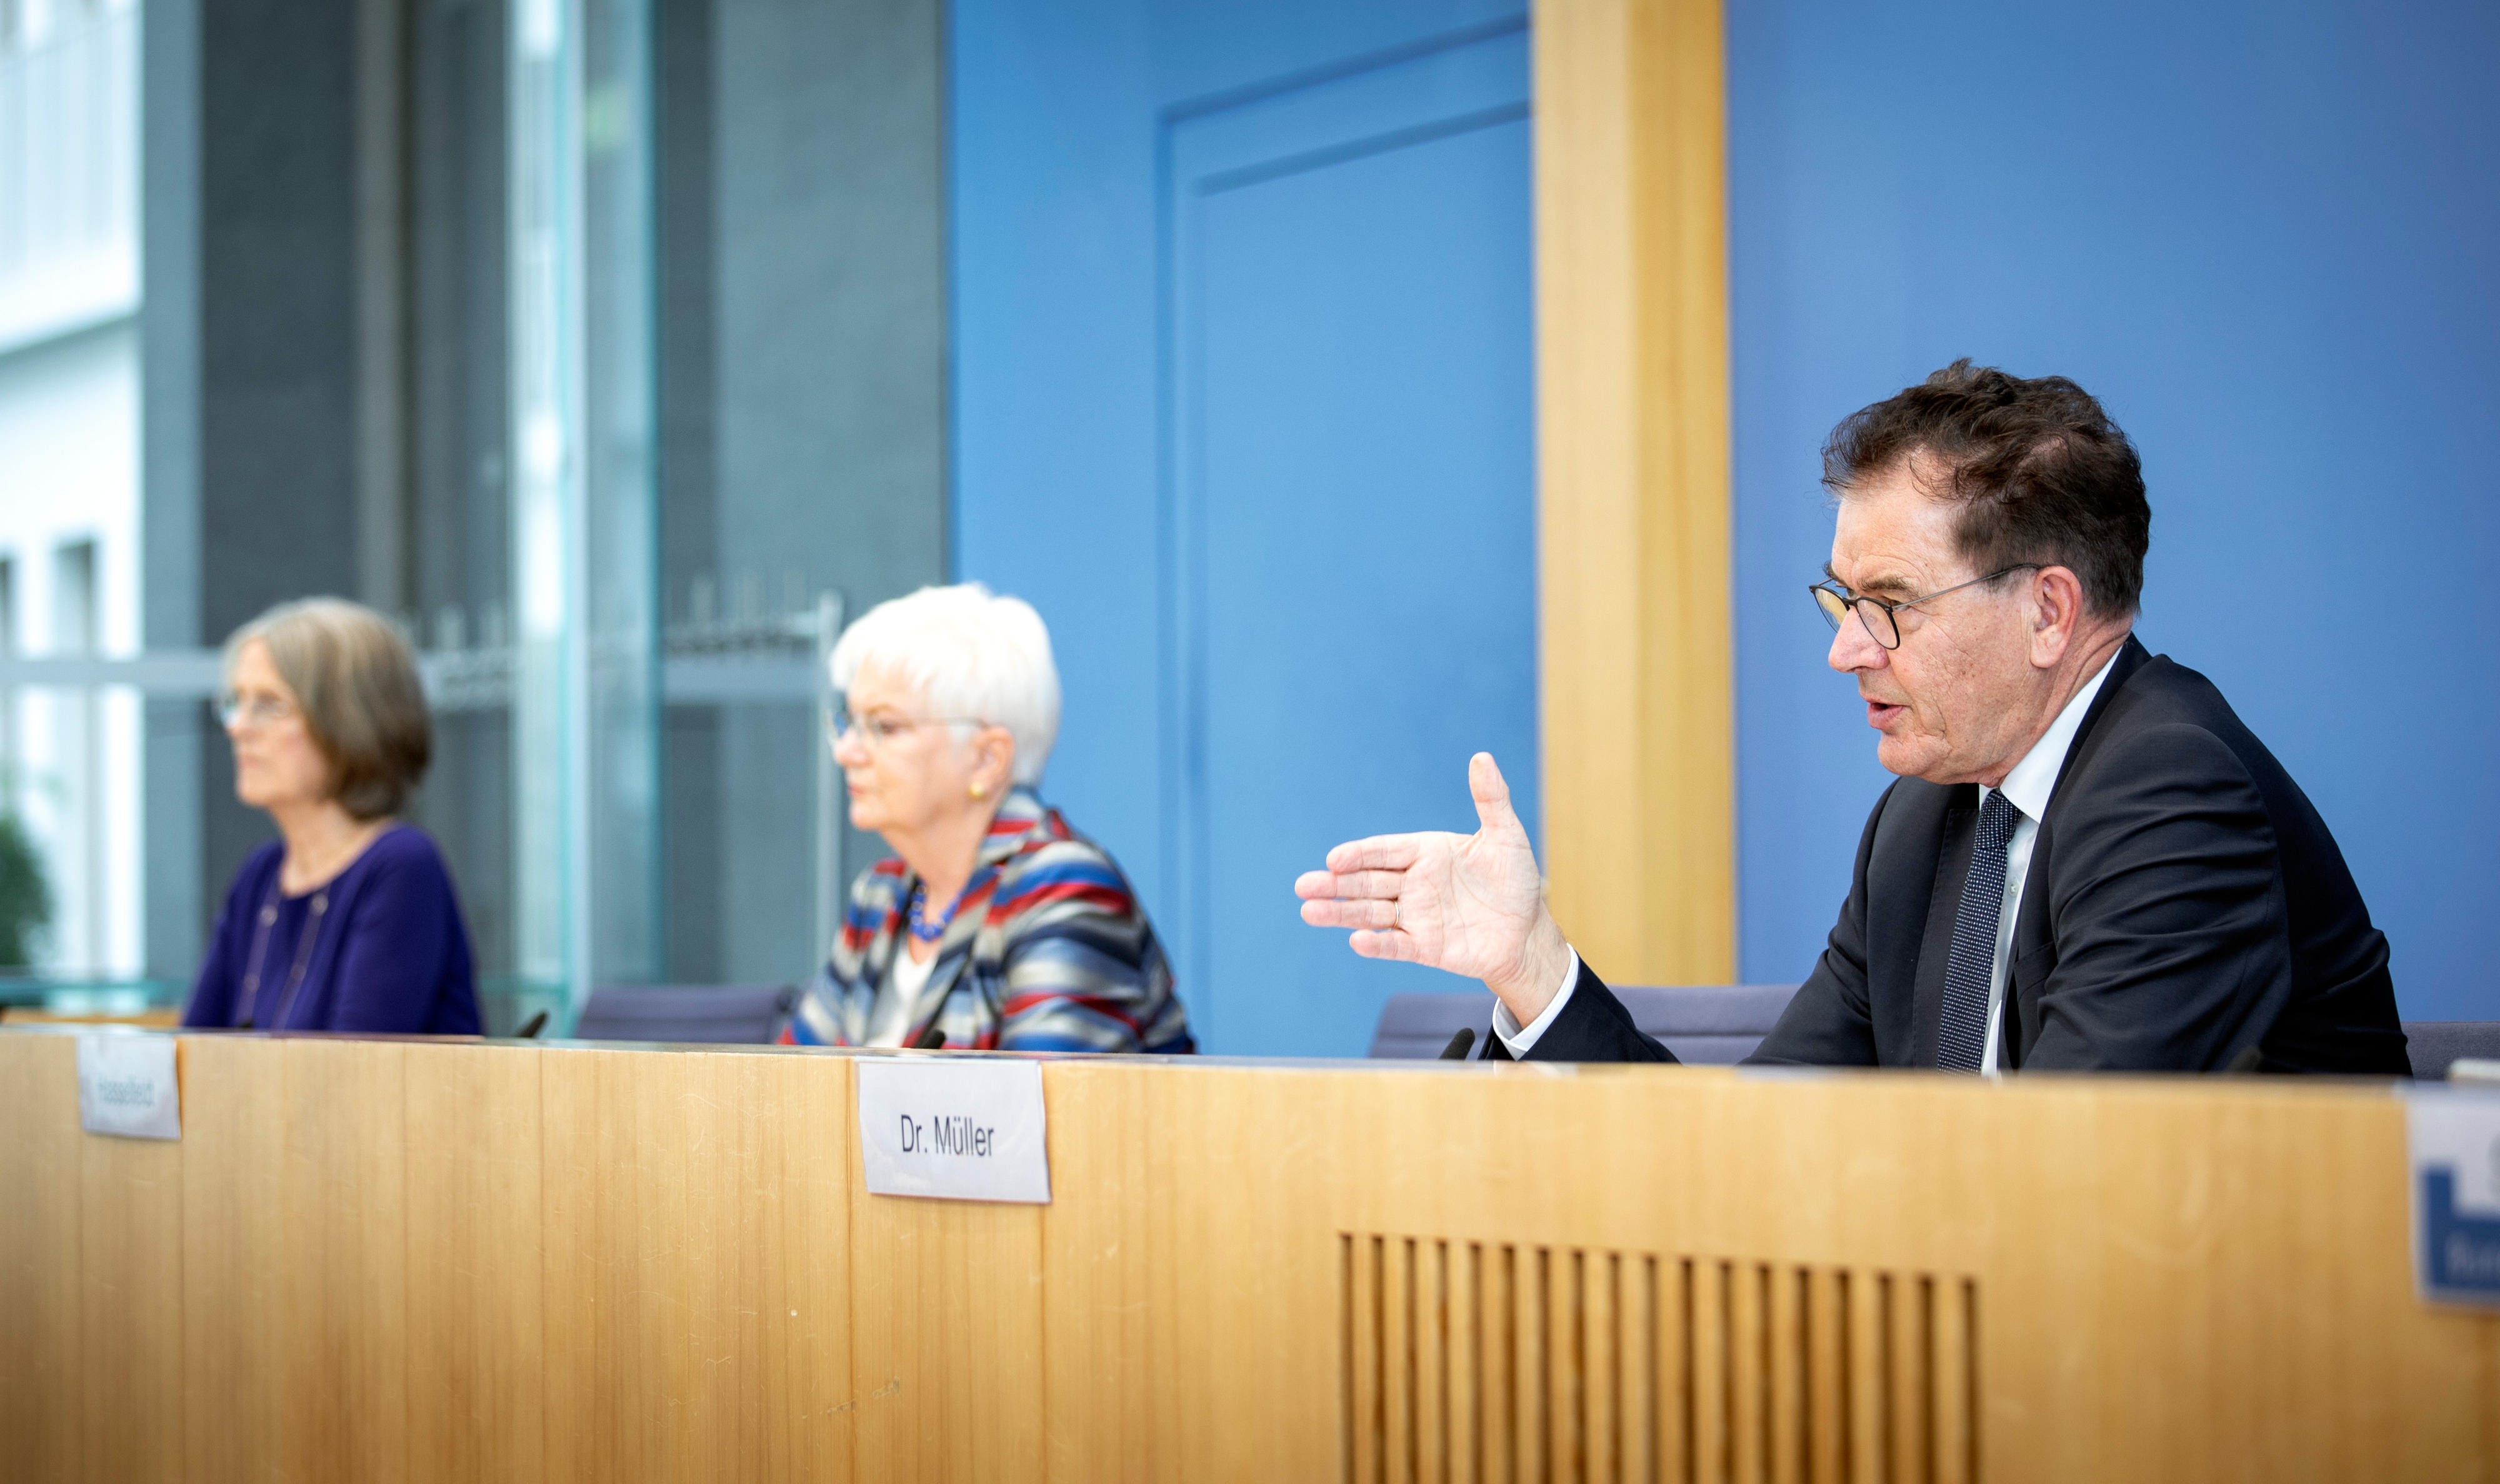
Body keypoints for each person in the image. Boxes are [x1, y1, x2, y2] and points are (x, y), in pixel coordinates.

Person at [1296, 362, 2410, 1074]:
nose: (1844, 649)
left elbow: (2064, 1182)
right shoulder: (1924, 826)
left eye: (1888, 607)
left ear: (2048, 610)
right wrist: (1534, 967)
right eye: (1841, 600)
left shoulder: (2171, 790)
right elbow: (1755, 1154)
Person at [784, 583, 1192, 1053]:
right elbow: (787, 1089)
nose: (846, 750)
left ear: (987, 759)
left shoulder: (1060, 887)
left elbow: (1037, 1115)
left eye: (884, 726)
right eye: (849, 723)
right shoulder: (880, 894)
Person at [184, 598, 481, 1035]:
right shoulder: (260, 876)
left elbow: (353, 1081)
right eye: (235, 701)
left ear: (348, 722)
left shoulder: (401, 866)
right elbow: (190, 1058)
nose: (238, 726)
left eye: (268, 704)